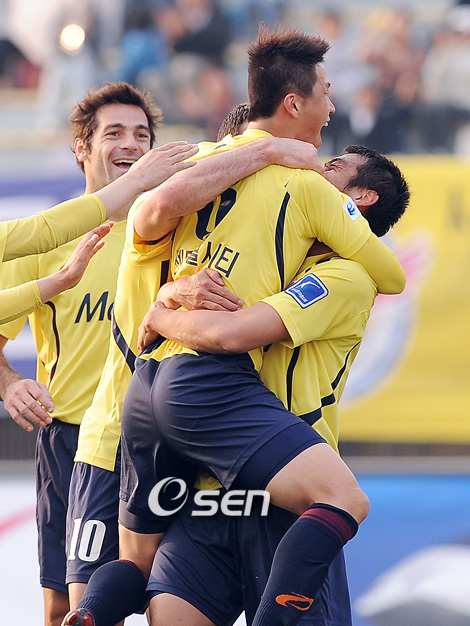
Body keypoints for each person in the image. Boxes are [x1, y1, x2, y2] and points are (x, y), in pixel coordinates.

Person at [61, 25, 406, 626]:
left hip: (156, 412)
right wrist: (277, 158)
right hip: (239, 432)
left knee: (135, 566)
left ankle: (89, 613)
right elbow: (236, 330)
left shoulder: (201, 183)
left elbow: (148, 218)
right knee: (345, 498)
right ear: (294, 103)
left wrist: (162, 308)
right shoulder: (303, 194)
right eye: (325, 93)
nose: (330, 113)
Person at [137, 145, 410, 626]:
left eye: (334, 167)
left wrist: (159, 315)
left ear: (361, 198)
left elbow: (229, 334)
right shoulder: (281, 252)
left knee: (345, 504)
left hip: (295, 485)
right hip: (221, 478)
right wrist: (170, 291)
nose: (315, 167)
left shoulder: (346, 275)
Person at [0, 81, 198, 626]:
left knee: (172, 599)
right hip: (71, 441)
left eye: (141, 134)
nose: (130, 144)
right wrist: (10, 383)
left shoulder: (182, 232)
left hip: (161, 440)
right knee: (64, 608)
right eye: (114, 133)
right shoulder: (45, 241)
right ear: (82, 147)